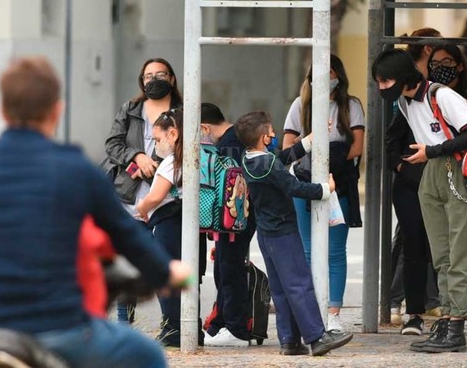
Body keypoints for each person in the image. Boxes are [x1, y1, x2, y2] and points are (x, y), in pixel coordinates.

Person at [0, 56, 192, 367]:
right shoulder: (76, 169)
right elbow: (129, 237)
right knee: (148, 354)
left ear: (3, 111)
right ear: (56, 111)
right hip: (58, 328)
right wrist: (166, 272)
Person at [372, 48, 467, 353]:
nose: (382, 88)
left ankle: (457, 325)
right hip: (430, 171)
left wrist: (432, 151)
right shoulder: (404, 101)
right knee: (440, 252)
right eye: (379, 82)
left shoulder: (441, 95)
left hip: (455, 169)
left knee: (459, 249)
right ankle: (446, 320)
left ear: (402, 76)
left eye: (385, 81)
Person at [235, 111, 354, 357]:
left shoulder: (248, 160)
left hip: (266, 233)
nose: (274, 135)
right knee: (299, 284)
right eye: (271, 131)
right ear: (264, 138)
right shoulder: (269, 164)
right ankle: (317, 337)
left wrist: (310, 139)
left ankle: (289, 340)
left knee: (281, 289)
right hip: (283, 232)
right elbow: (294, 186)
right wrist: (326, 189)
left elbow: (281, 158)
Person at [282, 53, 364, 332]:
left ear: (338, 75)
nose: (324, 78)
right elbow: (287, 146)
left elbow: (357, 146)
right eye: (317, 73)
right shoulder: (300, 104)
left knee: (335, 250)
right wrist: (309, 154)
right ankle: (310, 311)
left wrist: (331, 162)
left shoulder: (351, 105)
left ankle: (333, 313)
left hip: (339, 183)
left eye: (329, 72)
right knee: (307, 250)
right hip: (304, 183)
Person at [102, 57, 182, 323]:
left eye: (160, 74)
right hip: (128, 195)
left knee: (164, 262)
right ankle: (125, 321)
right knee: (127, 261)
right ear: (142, 80)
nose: (154, 79)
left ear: (172, 78)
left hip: (168, 200)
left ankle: (173, 324)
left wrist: (156, 165)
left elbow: (188, 146)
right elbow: (113, 144)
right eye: (149, 76)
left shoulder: (183, 111)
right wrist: (137, 157)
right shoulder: (131, 108)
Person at [135, 108, 206, 347]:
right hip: (192, 223)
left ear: (173, 134)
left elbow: (156, 196)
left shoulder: (172, 162)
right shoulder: (198, 156)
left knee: (167, 276)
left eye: (157, 139)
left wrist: (142, 208)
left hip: (168, 224)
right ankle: (192, 328)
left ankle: (173, 329)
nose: (156, 145)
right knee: (189, 278)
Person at [388, 28, 443, 331]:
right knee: (412, 245)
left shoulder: (441, 94)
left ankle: (440, 308)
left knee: (437, 246)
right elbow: (392, 138)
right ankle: (410, 309)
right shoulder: (405, 100)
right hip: (411, 180)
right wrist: (401, 166)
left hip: (439, 179)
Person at [199, 103, 256, 347]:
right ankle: (223, 324)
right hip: (238, 216)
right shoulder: (237, 136)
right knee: (225, 268)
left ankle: (236, 328)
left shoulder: (228, 144)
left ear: (204, 128)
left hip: (234, 217)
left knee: (230, 270)